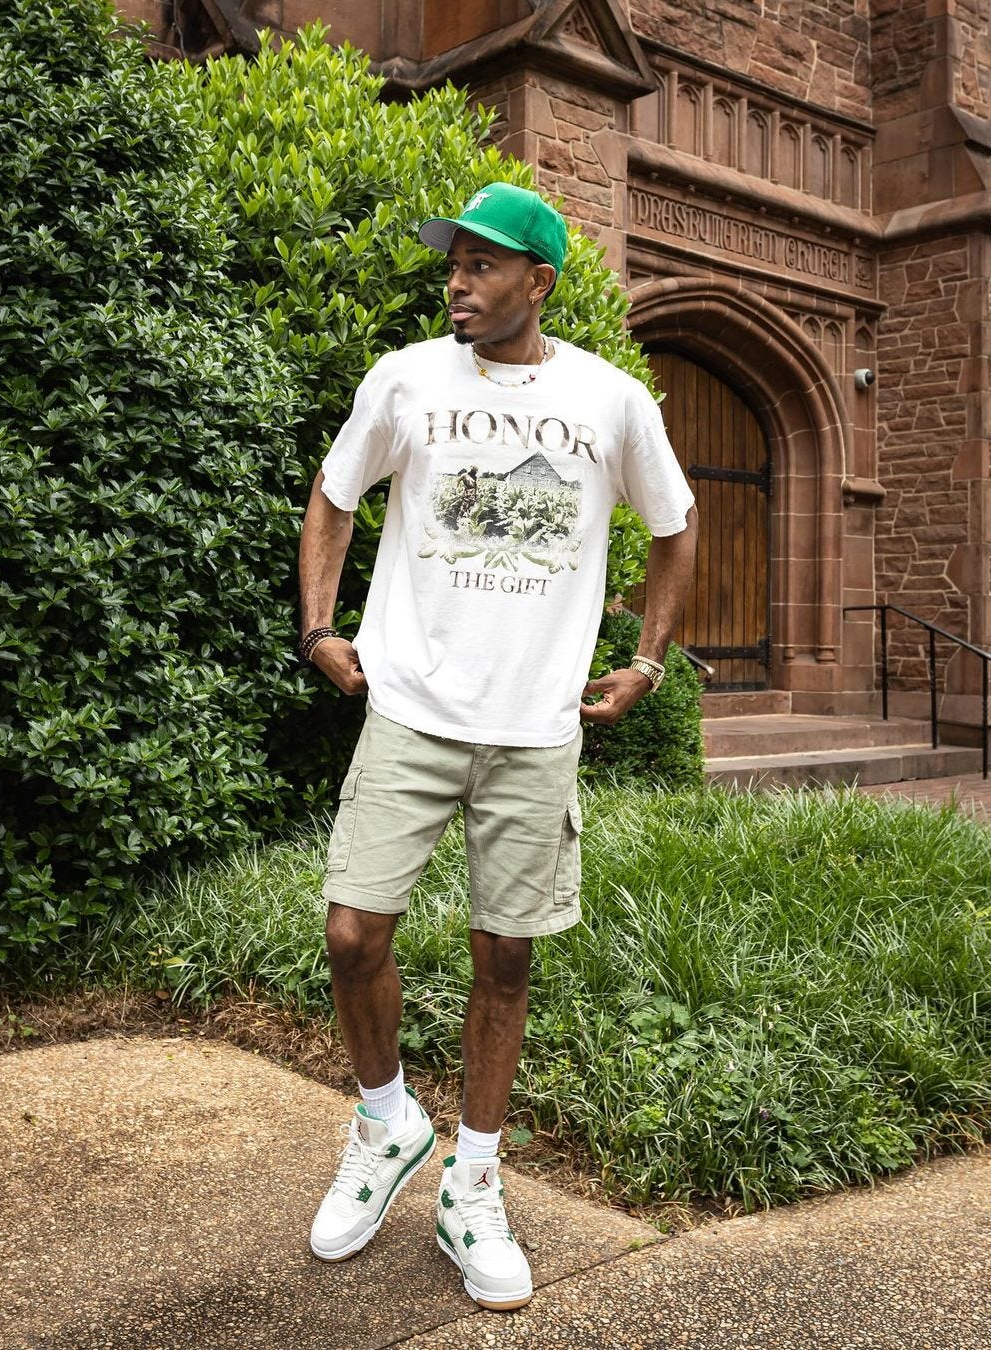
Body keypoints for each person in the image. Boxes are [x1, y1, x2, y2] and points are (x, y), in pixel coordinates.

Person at [298, 182, 697, 1312]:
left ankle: (474, 1180)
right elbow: (334, 497)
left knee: (504, 958)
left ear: (542, 283)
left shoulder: (612, 401)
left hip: (534, 728)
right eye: (453, 264)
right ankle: (387, 1125)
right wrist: (320, 628)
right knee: (351, 931)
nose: (457, 282)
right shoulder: (406, 378)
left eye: (481, 265)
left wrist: (650, 660)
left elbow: (675, 528)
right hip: (411, 707)